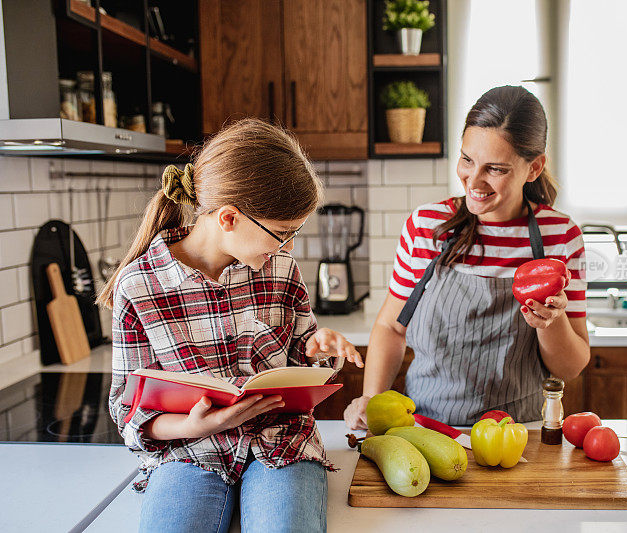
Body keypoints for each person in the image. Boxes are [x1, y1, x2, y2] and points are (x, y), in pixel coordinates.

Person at [98, 118, 362, 533]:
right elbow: (127, 412)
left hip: (281, 443)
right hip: (189, 450)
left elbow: (300, 348)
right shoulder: (139, 287)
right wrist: (194, 425)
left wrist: (317, 344)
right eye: (282, 233)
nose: (288, 246)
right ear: (228, 218)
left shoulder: (279, 268)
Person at [345, 86, 590, 429]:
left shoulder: (560, 236)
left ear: (533, 168)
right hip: (426, 429)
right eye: (467, 159)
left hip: (520, 435)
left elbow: (571, 367)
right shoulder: (427, 227)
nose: (473, 180)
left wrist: (550, 323)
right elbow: (391, 326)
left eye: (496, 169)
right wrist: (372, 397)